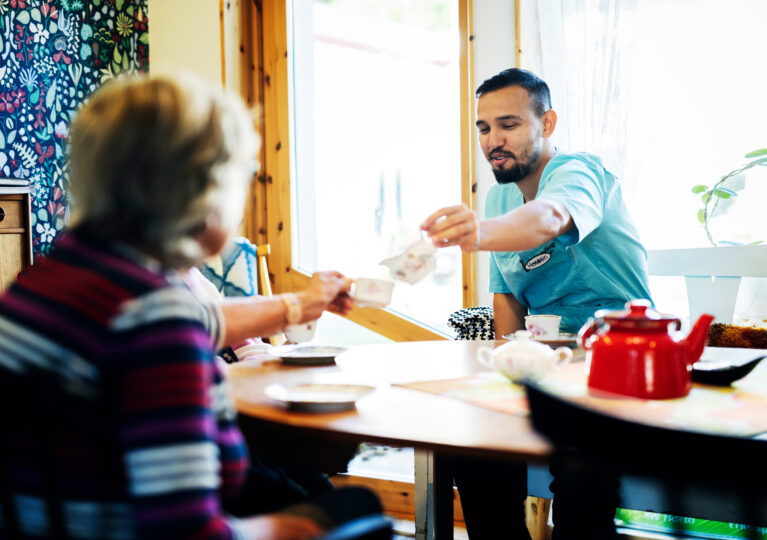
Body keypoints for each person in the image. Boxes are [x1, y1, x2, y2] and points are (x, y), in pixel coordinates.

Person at [0, 74, 381, 540]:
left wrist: (298, 305)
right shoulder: (156, 317)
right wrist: (294, 529)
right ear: (205, 192)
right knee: (357, 510)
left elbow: (205, 323)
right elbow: (189, 533)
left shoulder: (45, 283)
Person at [420, 68, 652, 540]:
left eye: (509, 124)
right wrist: (501, 387)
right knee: (467, 440)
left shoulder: (579, 171)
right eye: (483, 128)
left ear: (547, 124)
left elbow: (548, 217)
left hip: (612, 366)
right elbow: (505, 305)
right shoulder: (499, 196)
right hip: (543, 369)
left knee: (580, 462)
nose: (492, 141)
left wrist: (478, 234)